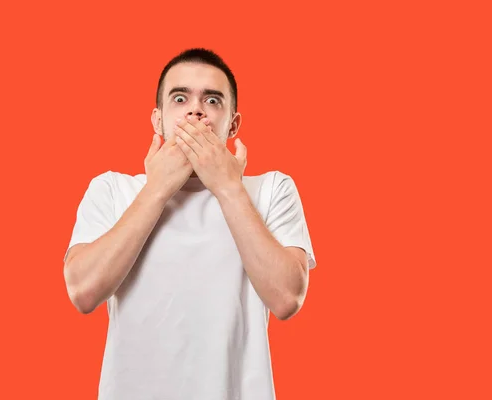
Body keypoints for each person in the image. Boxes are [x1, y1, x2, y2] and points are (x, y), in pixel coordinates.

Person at [63, 48, 317, 400]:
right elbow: (82, 291)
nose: (195, 110)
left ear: (233, 123)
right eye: (180, 97)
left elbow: (288, 298)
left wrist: (228, 186)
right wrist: (157, 189)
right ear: (158, 120)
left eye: (212, 100)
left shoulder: (273, 189)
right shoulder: (112, 189)